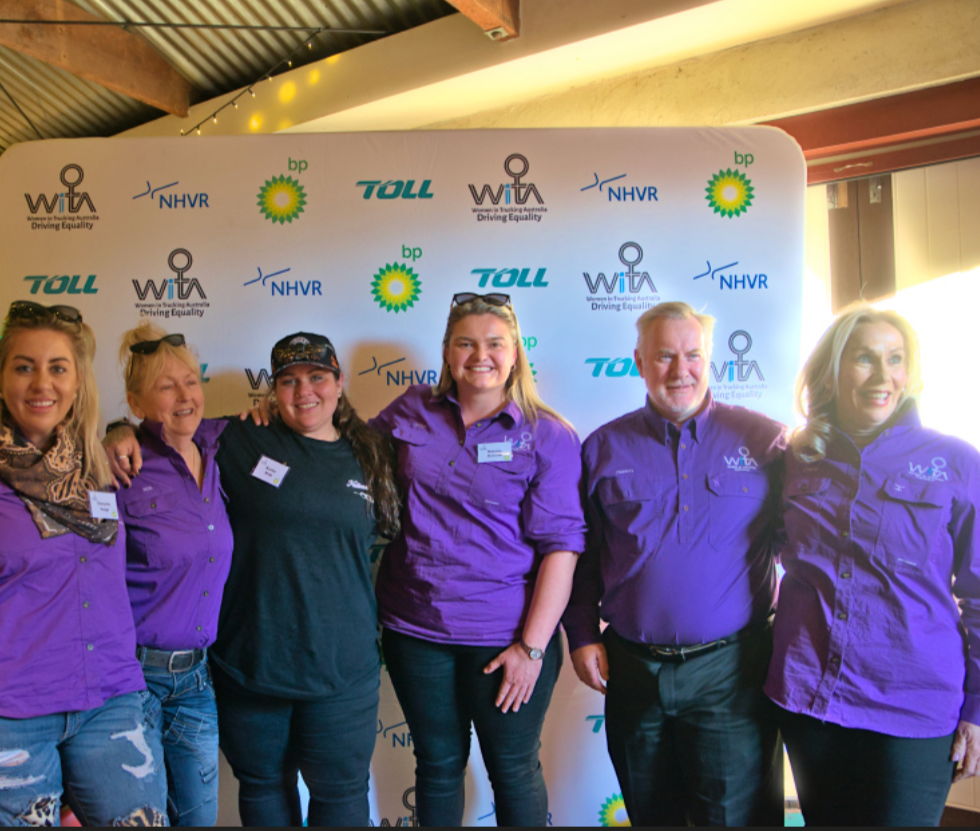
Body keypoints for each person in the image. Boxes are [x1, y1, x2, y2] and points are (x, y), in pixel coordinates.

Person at [108, 331, 399, 827]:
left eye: (317, 377)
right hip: (252, 665)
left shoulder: (370, 452)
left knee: (342, 797)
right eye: (288, 381)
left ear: (338, 382)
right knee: (263, 789)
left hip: (342, 672)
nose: (304, 391)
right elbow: (168, 428)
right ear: (272, 391)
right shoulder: (239, 439)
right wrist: (118, 430)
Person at [0, 301, 165, 827]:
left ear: (77, 381)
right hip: (2, 709)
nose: (41, 383)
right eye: (24, 366)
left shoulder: (100, 463)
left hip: (109, 696)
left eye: (57, 367)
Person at [564, 301, 786, 826]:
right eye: (664, 356)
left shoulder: (766, 442)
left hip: (732, 674)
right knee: (651, 815)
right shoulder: (602, 448)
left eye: (692, 355)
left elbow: (804, 545)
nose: (679, 370)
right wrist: (580, 634)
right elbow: (584, 556)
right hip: (632, 671)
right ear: (639, 361)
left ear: (711, 360)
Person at [370, 292, 585, 828]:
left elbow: (562, 548)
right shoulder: (411, 409)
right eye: (465, 343)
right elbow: (337, 450)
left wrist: (531, 651)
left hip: (505, 637)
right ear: (447, 352)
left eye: (495, 343)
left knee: (512, 769)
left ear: (515, 354)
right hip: (414, 630)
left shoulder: (547, 435)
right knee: (437, 766)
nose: (480, 355)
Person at [766, 305, 980, 826]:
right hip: (810, 696)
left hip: (914, 705)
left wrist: (976, 708)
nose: (882, 376)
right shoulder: (794, 457)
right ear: (833, 372)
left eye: (895, 359)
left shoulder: (955, 462)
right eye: (864, 359)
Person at [114, 322, 234, 826]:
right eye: (166, 386)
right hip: (134, 679)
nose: (185, 396)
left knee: (199, 819)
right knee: (141, 819)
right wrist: (114, 432)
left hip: (197, 681)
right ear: (136, 402)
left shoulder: (218, 446)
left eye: (191, 381)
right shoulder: (123, 466)